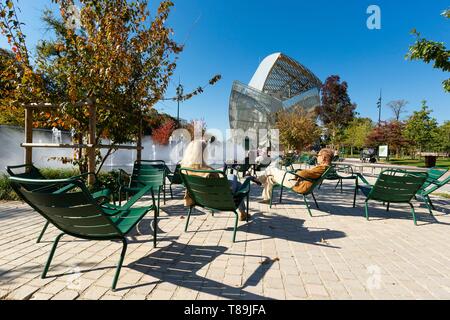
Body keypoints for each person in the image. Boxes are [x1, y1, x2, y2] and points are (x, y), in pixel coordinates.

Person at [180, 139, 253, 221]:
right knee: (236, 180)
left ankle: (243, 213)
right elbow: (223, 191)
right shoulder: (210, 172)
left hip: (200, 200)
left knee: (233, 179)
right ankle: (243, 212)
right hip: (219, 201)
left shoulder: (185, 170)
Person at [257, 148, 334, 203]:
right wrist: (299, 172)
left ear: (323, 158)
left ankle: (258, 180)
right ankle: (267, 198)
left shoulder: (322, 167)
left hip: (296, 183)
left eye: (318, 155)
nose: (317, 157)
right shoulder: (324, 167)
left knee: (272, 170)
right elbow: (307, 173)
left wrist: (297, 172)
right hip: (297, 181)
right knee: (270, 177)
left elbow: (302, 174)